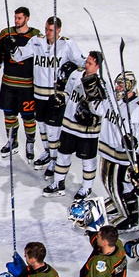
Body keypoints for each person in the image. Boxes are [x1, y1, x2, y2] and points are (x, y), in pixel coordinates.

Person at [10, 16, 86, 180]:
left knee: (53, 131)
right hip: (39, 93)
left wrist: (85, 65)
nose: (47, 32)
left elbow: (81, 63)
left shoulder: (67, 45)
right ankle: (47, 152)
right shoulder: (37, 41)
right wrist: (13, 48)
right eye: (46, 28)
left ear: (59, 30)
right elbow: (19, 56)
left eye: (51, 30)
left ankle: (54, 159)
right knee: (43, 127)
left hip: (56, 96)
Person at [96, 71, 139, 232]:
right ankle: (121, 208)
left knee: (120, 187)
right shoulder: (113, 100)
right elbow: (98, 109)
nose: (118, 87)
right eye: (117, 83)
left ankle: (129, 219)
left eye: (122, 84)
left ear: (131, 86)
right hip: (107, 151)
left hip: (123, 156)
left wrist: (137, 146)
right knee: (110, 185)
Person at [43, 51, 105, 199]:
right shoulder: (76, 74)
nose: (86, 65)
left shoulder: (102, 85)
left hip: (87, 131)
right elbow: (67, 93)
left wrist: (89, 107)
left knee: (88, 160)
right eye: (87, 61)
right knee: (62, 155)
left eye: (90, 63)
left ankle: (87, 188)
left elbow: (102, 109)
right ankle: (58, 182)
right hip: (68, 124)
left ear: (97, 66)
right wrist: (60, 98)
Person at [0, 7, 41, 160]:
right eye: (15, 18)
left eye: (20, 18)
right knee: (9, 114)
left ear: (27, 18)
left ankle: (30, 142)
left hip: (27, 85)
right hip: (8, 82)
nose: (16, 21)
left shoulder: (35, 35)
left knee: (28, 117)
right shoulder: (5, 33)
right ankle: (12, 141)